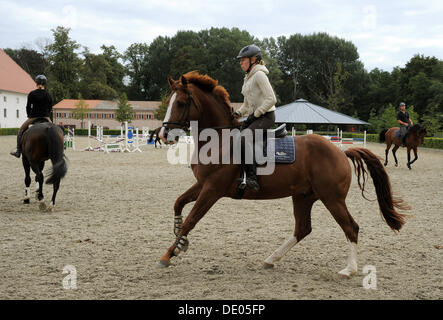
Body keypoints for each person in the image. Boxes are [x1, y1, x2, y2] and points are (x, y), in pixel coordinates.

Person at [232, 44, 277, 191]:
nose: (241, 63)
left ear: (253, 60)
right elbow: (246, 106)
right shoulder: (247, 78)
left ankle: (252, 178)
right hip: (255, 117)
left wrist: (256, 114)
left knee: (244, 137)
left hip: (266, 116)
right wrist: (237, 113)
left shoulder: (259, 75)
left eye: (243, 60)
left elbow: (271, 99)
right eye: (240, 60)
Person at [10, 75, 53, 158]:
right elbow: (50, 107)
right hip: (45, 117)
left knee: (20, 131)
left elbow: (28, 107)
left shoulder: (32, 94)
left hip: (34, 117)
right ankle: (58, 151)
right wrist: (47, 114)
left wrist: (29, 115)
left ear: (36, 83)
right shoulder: (48, 95)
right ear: (45, 84)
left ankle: (18, 151)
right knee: (54, 130)